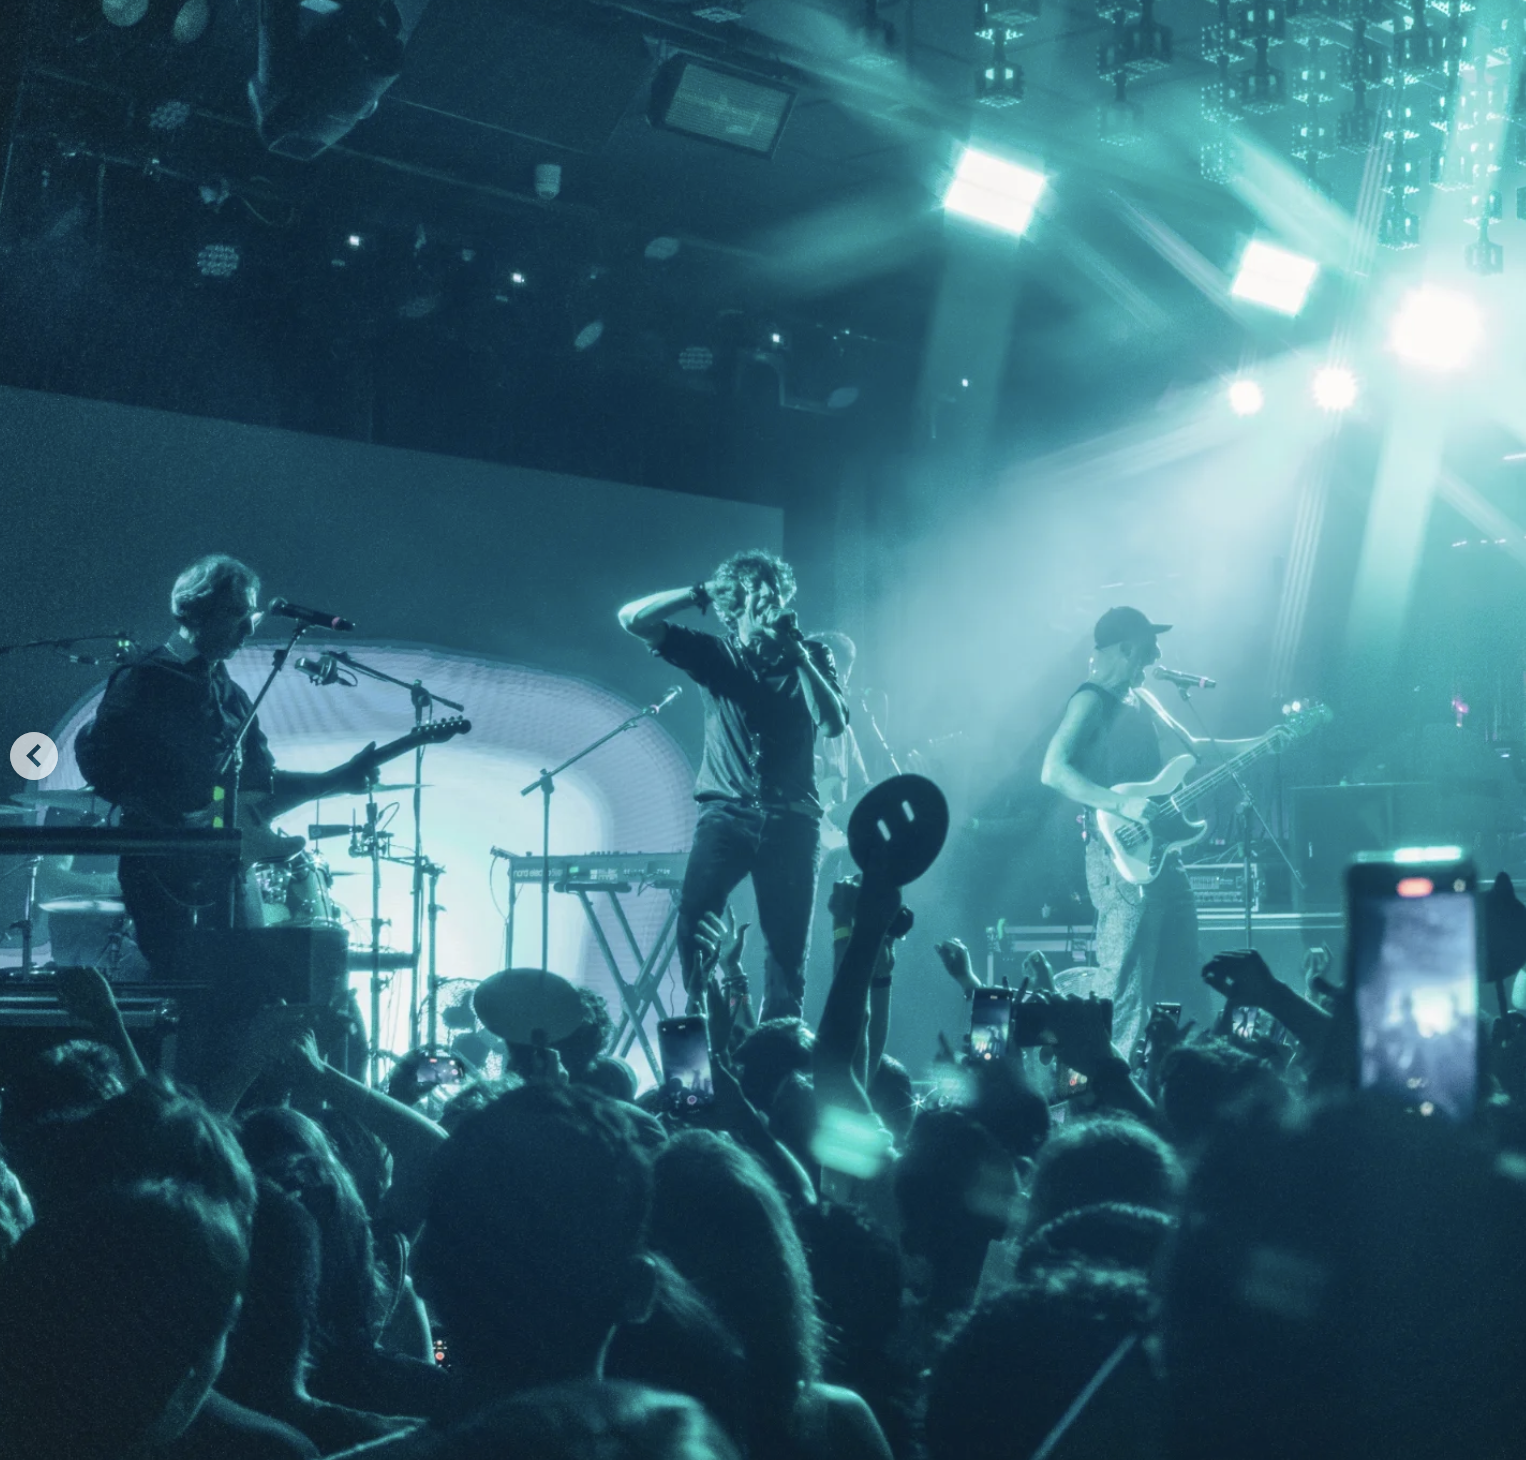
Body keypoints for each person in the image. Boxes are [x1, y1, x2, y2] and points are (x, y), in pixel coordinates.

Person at [73, 554, 372, 973]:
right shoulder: (144, 678)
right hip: (164, 868)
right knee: (185, 986)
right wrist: (167, 817)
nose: (249, 626)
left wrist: (336, 780)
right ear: (195, 611)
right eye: (236, 613)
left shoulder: (231, 695)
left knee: (238, 985)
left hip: (226, 869)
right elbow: (97, 759)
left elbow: (258, 786)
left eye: (250, 613)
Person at [618, 550, 849, 1020]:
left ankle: (777, 1062)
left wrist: (798, 656)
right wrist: (699, 593)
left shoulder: (812, 654)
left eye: (776, 594)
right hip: (726, 816)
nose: (771, 602)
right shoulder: (716, 654)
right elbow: (631, 619)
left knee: (787, 957)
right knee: (695, 926)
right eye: (758, 594)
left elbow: (832, 725)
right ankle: (706, 1036)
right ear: (735, 606)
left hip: (793, 822)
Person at [1040, 606, 1273, 1048]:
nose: (1158, 653)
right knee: (1127, 987)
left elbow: (1193, 749)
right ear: (1126, 649)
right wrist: (1120, 803)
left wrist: (1259, 744)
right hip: (1117, 854)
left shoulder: (1142, 699)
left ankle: (1187, 1081)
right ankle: (1113, 1091)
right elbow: (1053, 770)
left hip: (1164, 853)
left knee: (1185, 980)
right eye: (1150, 645)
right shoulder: (1090, 699)